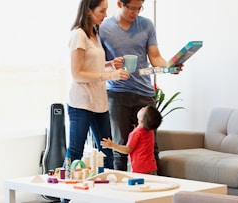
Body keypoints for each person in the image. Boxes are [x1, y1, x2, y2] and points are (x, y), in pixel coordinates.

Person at [99, 0, 172, 172]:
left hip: (145, 94)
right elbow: (98, 64)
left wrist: (169, 67)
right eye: (132, 8)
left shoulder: (146, 25)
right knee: (120, 148)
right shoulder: (104, 28)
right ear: (119, 4)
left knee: (151, 148)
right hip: (117, 94)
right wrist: (112, 65)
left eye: (139, 8)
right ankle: (121, 195)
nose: (135, 13)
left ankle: (157, 193)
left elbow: (155, 56)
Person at [67, 0, 130, 170]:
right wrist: (110, 75)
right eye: (102, 11)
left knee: (106, 152)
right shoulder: (78, 35)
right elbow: (77, 73)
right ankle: (65, 197)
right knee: (75, 153)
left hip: (99, 103)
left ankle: (106, 194)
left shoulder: (94, 33)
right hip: (81, 103)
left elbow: (92, 67)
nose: (105, 15)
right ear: (89, 11)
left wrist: (111, 65)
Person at [101, 105, 162, 174]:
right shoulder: (150, 131)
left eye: (143, 109)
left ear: (141, 121)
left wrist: (112, 145)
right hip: (152, 167)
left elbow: (127, 150)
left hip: (140, 170)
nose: (142, 107)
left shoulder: (136, 133)